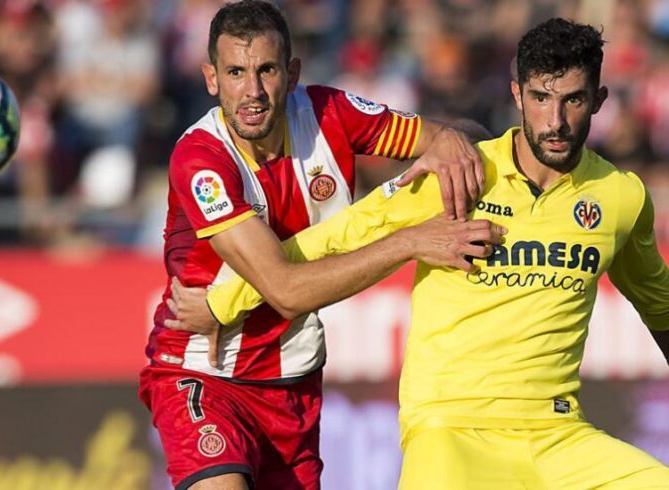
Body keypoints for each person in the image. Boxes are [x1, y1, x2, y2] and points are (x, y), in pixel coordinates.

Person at [168, 18, 669, 489]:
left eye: (573, 100)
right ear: (517, 94)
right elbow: (341, 234)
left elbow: (660, 305)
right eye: (541, 98)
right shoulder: (460, 173)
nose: (554, 121)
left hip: (558, 433)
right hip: (451, 429)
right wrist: (221, 300)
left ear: (598, 100)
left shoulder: (620, 197)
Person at [139, 1, 505, 489]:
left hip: (293, 382)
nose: (252, 91)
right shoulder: (201, 160)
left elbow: (452, 140)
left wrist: (456, 145)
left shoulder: (331, 112)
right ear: (211, 78)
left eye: (267, 70)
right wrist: (411, 241)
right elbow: (286, 290)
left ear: (291, 74)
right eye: (235, 72)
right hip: (206, 374)